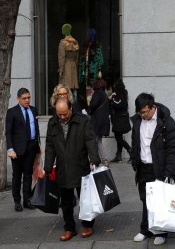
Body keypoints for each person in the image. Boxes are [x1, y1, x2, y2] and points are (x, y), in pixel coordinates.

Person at [44, 99, 100, 241]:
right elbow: (50, 145)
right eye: (59, 114)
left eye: (64, 114)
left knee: (85, 199)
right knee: (66, 202)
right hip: (63, 168)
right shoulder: (53, 123)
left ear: (70, 109)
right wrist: (48, 166)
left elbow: (90, 140)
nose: (62, 117)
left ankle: (88, 225)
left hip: (81, 166)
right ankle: (69, 228)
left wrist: (94, 158)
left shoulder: (82, 120)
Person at [130, 93, 175, 245]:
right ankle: (145, 229)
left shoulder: (166, 122)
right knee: (145, 200)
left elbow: (174, 148)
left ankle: (161, 232)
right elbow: (135, 142)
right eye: (140, 112)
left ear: (153, 107)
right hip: (143, 167)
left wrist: (170, 171)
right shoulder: (138, 121)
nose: (143, 115)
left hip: (160, 167)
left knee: (160, 201)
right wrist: (135, 160)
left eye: (145, 112)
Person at [5, 88, 40, 212]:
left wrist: (38, 146)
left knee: (28, 175)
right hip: (17, 149)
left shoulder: (33, 110)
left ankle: (27, 200)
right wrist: (10, 148)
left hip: (31, 146)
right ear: (18, 98)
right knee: (16, 176)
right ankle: (17, 201)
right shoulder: (12, 112)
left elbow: (36, 129)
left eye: (29, 97)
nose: (27, 100)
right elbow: (8, 132)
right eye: (24, 98)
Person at [87, 78, 110, 166]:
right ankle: (104, 160)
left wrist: (89, 110)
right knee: (99, 141)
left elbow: (93, 106)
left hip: (97, 121)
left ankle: (94, 160)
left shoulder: (97, 94)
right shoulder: (104, 94)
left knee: (93, 140)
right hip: (104, 121)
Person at [110, 79, 132, 163]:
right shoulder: (123, 93)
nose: (114, 87)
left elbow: (119, 104)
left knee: (118, 138)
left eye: (115, 86)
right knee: (119, 137)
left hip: (119, 119)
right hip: (119, 119)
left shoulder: (120, 94)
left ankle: (130, 151)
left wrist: (112, 98)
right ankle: (118, 155)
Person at [58, 23, 79, 100]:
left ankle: (66, 106)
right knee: (74, 88)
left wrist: (61, 70)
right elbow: (77, 57)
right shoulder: (75, 42)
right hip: (73, 66)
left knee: (65, 88)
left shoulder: (62, 43)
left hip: (66, 66)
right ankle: (75, 104)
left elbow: (61, 58)